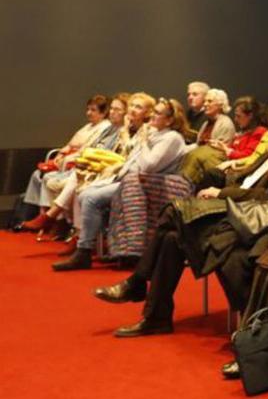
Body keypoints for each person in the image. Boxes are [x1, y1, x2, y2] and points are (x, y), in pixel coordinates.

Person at [91, 104, 268, 333]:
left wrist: (221, 192)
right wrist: (229, 173)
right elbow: (243, 180)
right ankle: (156, 317)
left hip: (246, 219)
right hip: (234, 209)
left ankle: (137, 283)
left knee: (174, 210)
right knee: (172, 237)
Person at [53, 98, 189, 271]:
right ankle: (89, 245)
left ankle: (84, 251)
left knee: (91, 199)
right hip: (129, 180)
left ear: (170, 120)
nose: (152, 116)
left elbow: (148, 166)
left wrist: (144, 140)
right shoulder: (156, 134)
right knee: (85, 192)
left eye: (157, 113)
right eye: (153, 111)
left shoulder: (171, 138)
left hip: (145, 186)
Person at [20, 95, 114, 233]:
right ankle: (50, 218)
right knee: (40, 176)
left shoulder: (105, 127)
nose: (89, 113)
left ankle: (59, 221)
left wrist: (68, 157)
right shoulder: (87, 127)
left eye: (93, 110)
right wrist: (61, 154)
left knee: (72, 180)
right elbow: (72, 144)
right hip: (73, 162)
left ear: (104, 112)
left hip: (84, 166)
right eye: (88, 109)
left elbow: (88, 150)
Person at [179, 96, 266, 186]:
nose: (235, 120)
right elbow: (233, 149)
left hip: (237, 168)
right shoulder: (242, 132)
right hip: (228, 162)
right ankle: (183, 184)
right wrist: (221, 146)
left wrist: (226, 149)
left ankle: (182, 185)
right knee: (197, 153)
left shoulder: (259, 132)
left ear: (250, 116)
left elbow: (249, 156)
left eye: (238, 116)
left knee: (200, 154)